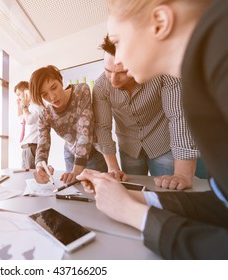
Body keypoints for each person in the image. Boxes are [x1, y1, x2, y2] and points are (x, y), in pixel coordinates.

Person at [77, 0, 228, 259]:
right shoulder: (205, 64)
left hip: (160, 142)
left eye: (119, 41)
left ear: (160, 22)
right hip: (130, 144)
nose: (119, 59)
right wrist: (133, 200)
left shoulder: (219, 49)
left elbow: (177, 118)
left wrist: (132, 213)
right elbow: (222, 205)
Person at [93, 35, 205, 190]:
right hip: (129, 149)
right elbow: (102, 127)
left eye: (122, 72)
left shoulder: (163, 73)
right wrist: (113, 168)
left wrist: (182, 175)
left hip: (163, 146)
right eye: (108, 71)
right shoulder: (100, 87)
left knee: (169, 193)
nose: (113, 80)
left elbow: (179, 117)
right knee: (132, 192)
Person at [29, 65, 107, 184]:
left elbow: (84, 131)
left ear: (60, 80)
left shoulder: (81, 91)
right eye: (44, 94)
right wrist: (40, 166)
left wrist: (76, 171)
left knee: (101, 190)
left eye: (54, 87)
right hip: (70, 154)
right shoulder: (45, 113)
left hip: (94, 151)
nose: (52, 97)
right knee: (75, 192)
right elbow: (42, 142)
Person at [14, 81, 40, 169]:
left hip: (33, 147)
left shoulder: (37, 106)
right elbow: (21, 119)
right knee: (24, 176)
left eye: (18, 94)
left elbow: (29, 120)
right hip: (26, 148)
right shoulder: (28, 108)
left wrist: (24, 107)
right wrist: (20, 105)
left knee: (31, 177)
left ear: (27, 92)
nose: (18, 98)